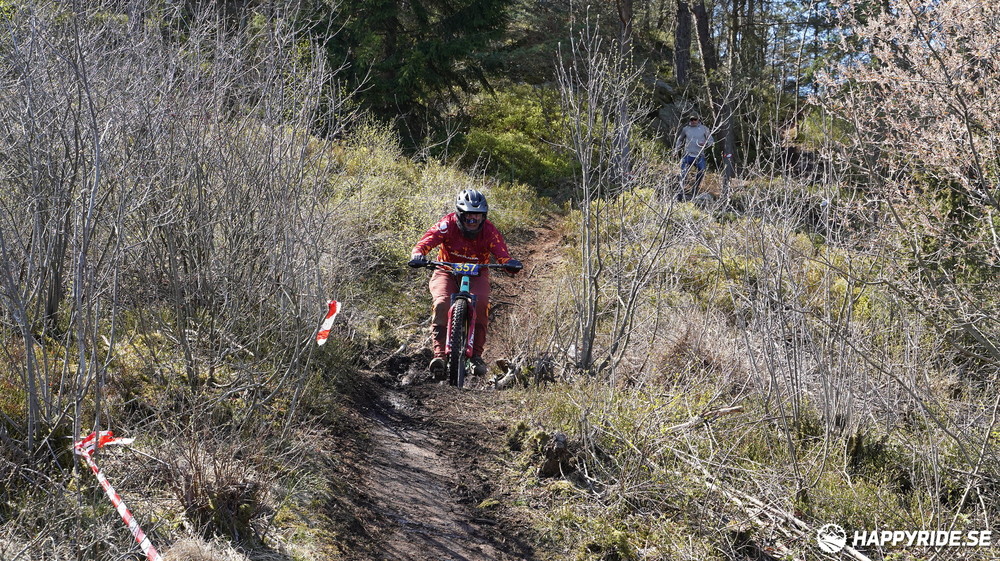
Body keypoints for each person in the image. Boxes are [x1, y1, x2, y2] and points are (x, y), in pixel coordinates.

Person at [408, 189, 522, 377]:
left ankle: (476, 356)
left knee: (483, 303)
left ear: (483, 216)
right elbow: (426, 241)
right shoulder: (447, 225)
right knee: (441, 303)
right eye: (468, 216)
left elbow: (502, 254)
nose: (473, 221)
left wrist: (509, 264)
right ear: (459, 214)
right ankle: (439, 356)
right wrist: (418, 254)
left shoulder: (490, 232)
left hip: (478, 273)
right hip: (446, 270)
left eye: (477, 216)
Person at [675, 114, 714, 199]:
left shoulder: (704, 129)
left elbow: (711, 141)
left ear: (698, 120)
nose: (693, 121)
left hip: (700, 155)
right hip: (688, 155)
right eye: (691, 119)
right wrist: (676, 149)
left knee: (702, 170)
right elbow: (680, 139)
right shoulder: (686, 129)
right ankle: (680, 193)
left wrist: (705, 144)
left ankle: (695, 189)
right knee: (683, 173)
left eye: (694, 119)